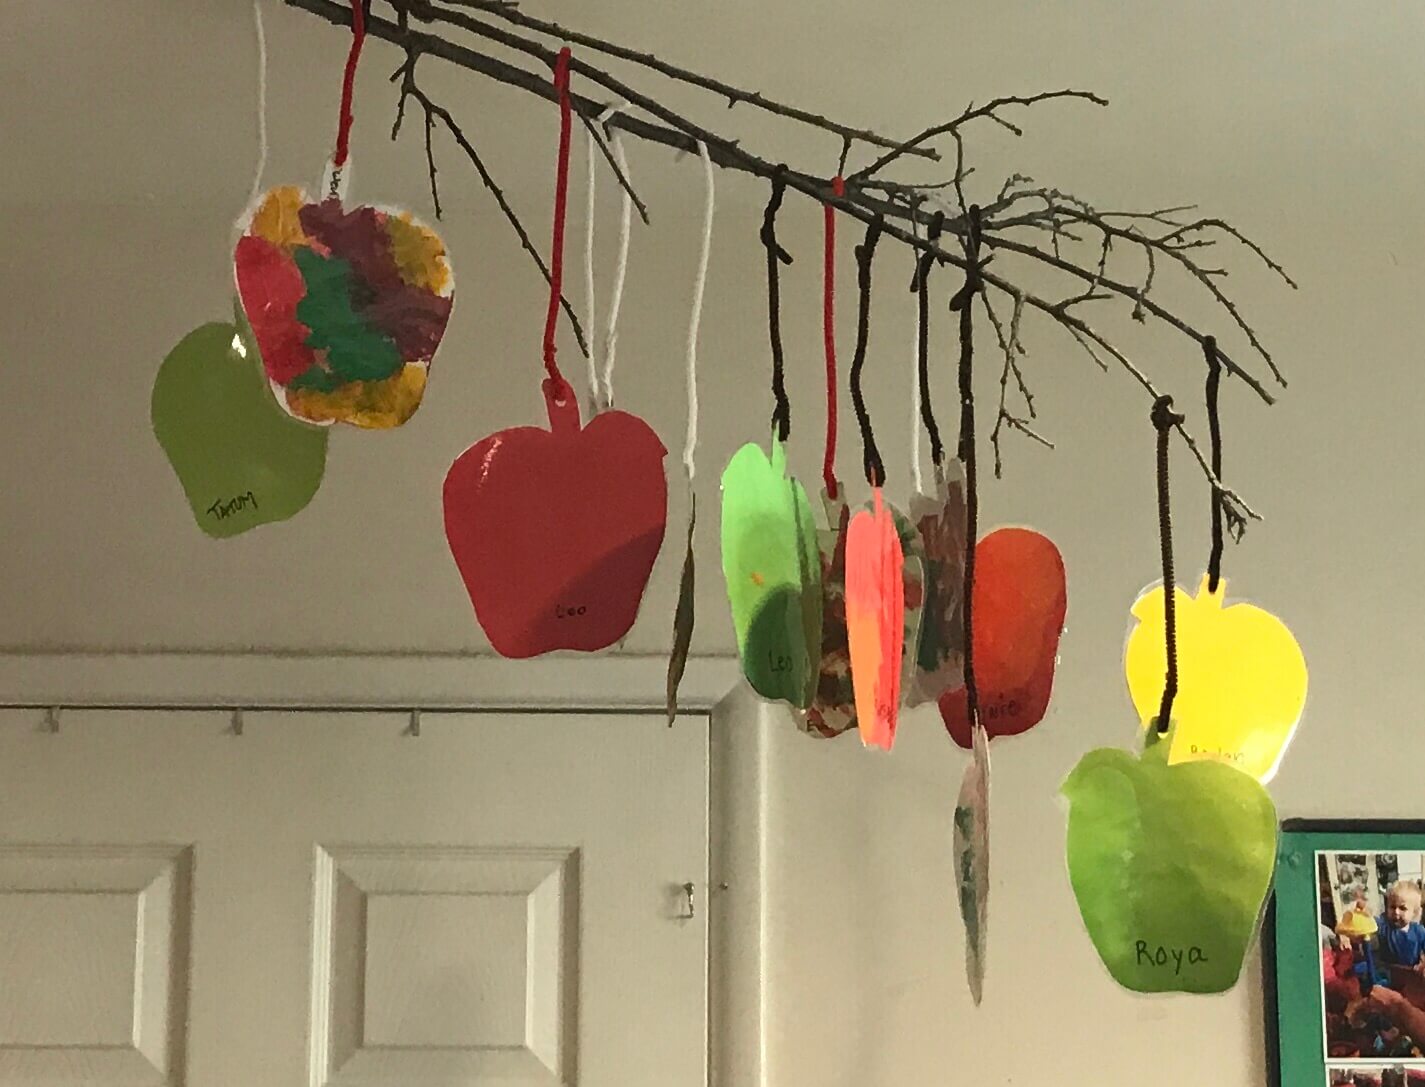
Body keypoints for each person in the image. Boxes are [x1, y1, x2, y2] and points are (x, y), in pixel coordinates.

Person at [1378, 882, 1425, 972]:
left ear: (1414, 913)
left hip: (1412, 973)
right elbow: (1369, 925)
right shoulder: (1383, 927)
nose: (1396, 912)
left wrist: (1423, 964)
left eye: (1402, 908)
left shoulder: (1419, 931)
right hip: (1388, 973)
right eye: (1392, 907)